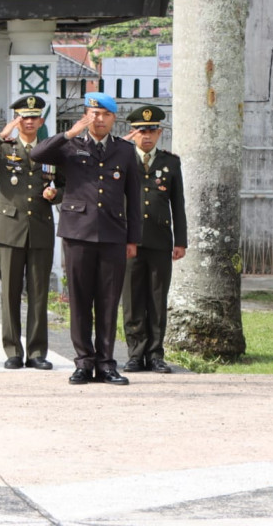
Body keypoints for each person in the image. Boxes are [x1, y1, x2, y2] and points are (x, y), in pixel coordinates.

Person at [31, 92, 141, 386]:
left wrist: (133, 239)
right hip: (77, 232)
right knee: (79, 301)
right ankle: (83, 363)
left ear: (114, 118)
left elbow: (135, 196)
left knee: (108, 301)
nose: (99, 119)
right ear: (86, 115)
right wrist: (69, 132)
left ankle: (106, 364)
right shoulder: (70, 146)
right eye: (94, 113)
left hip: (113, 234)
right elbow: (37, 154)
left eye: (105, 114)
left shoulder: (125, 151)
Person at [0, 95, 65, 371]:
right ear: (17, 120)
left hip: (40, 230)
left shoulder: (50, 152)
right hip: (9, 229)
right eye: (24, 117)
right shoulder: (4, 149)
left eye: (34, 117)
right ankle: (12, 350)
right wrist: (1, 135)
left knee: (39, 294)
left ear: (42, 121)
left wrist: (56, 194)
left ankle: (36, 352)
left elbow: (67, 186)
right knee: (9, 294)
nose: (30, 121)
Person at [121, 105, 187, 374]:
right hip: (130, 241)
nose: (146, 136)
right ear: (133, 133)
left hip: (160, 240)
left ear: (159, 133)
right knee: (133, 299)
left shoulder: (170, 162)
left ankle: (156, 354)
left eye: (152, 131)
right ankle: (135, 354)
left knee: (157, 300)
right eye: (141, 131)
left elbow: (178, 203)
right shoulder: (123, 159)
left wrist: (180, 241)